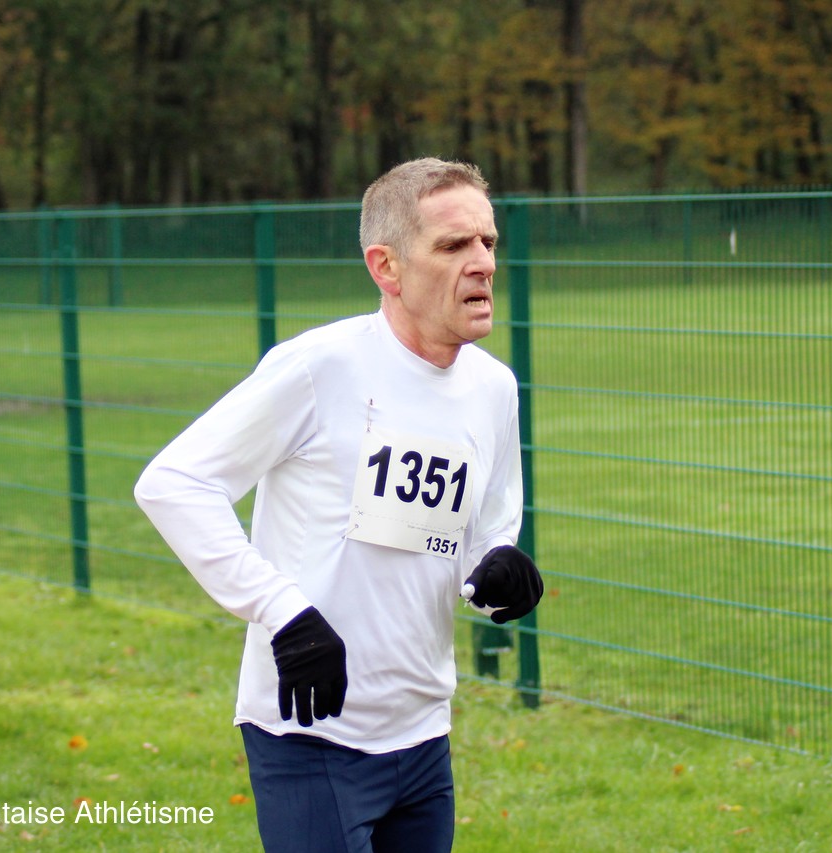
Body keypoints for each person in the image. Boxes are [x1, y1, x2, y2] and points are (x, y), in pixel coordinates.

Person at [134, 157, 543, 853]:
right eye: (453, 245)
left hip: (424, 730)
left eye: (488, 241)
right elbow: (175, 482)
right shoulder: (318, 368)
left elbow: (486, 524)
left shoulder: (494, 387)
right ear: (387, 268)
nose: (482, 263)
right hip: (312, 727)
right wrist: (282, 611)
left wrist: (497, 566)